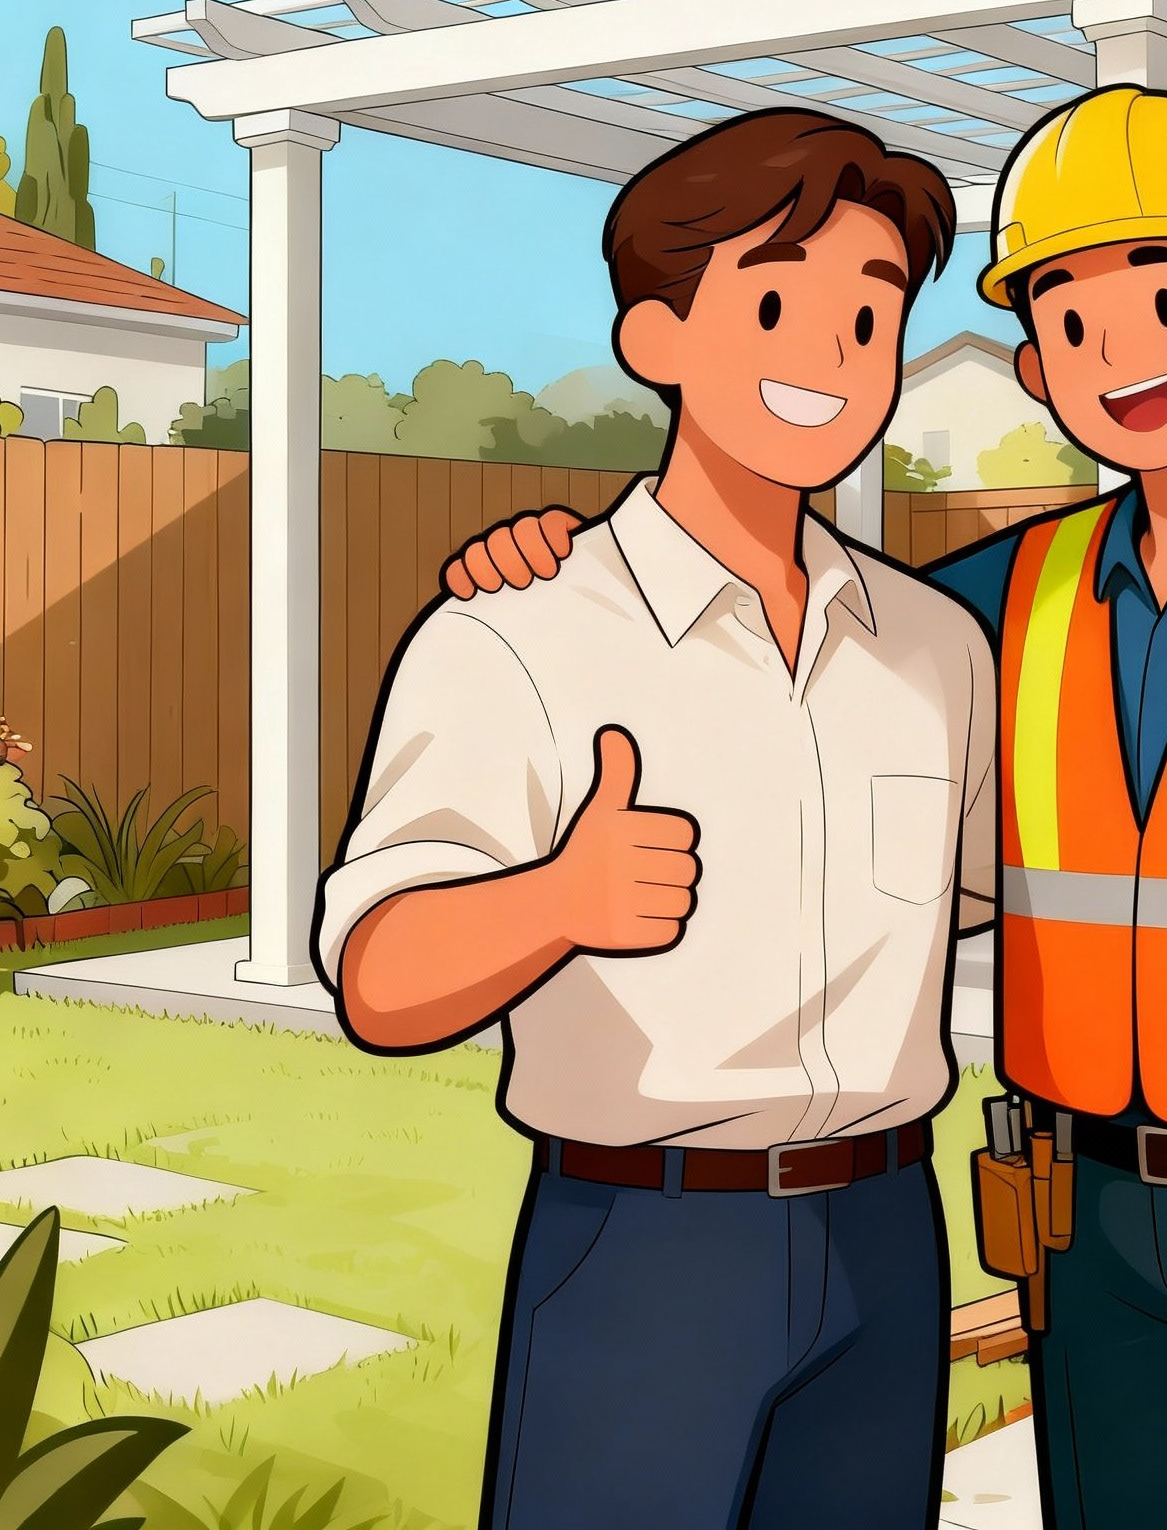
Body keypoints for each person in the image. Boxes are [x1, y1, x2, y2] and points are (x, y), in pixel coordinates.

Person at [446, 85, 1167, 1528]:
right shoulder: (992, 605)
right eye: (1068, 322)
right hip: (1082, 1215)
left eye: (1160, 303)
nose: (1118, 354)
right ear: (1039, 368)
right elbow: (796, 634)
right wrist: (560, 561)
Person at [316, 107, 996, 1530]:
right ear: (657, 339)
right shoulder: (516, 633)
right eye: (775, 307)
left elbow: (980, 897)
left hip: (887, 1230)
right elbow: (379, 981)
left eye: (870, 321)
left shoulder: (938, 649)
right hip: (645, 1241)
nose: (829, 358)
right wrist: (557, 902)